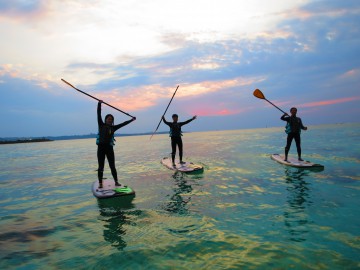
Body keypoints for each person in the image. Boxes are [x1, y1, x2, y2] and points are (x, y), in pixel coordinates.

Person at [97, 100, 136, 188]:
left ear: (112, 121)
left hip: (109, 148)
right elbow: (98, 114)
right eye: (108, 119)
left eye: (111, 119)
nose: (110, 120)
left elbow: (123, 124)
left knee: (112, 166)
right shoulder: (101, 125)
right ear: (105, 119)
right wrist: (99, 104)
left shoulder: (113, 128)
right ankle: (100, 183)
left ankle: (116, 182)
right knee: (101, 167)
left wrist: (131, 120)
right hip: (101, 148)